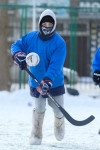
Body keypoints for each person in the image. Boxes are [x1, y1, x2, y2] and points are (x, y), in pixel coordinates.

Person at [11, 9, 67, 145]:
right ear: (40, 23)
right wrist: (18, 54)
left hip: (54, 82)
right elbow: (16, 45)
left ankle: (59, 122)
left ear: (54, 25)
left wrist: (48, 80)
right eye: (44, 24)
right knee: (39, 107)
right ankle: (36, 134)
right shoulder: (31, 38)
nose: (47, 27)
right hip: (36, 81)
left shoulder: (59, 43)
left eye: (50, 24)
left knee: (57, 107)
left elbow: (56, 65)